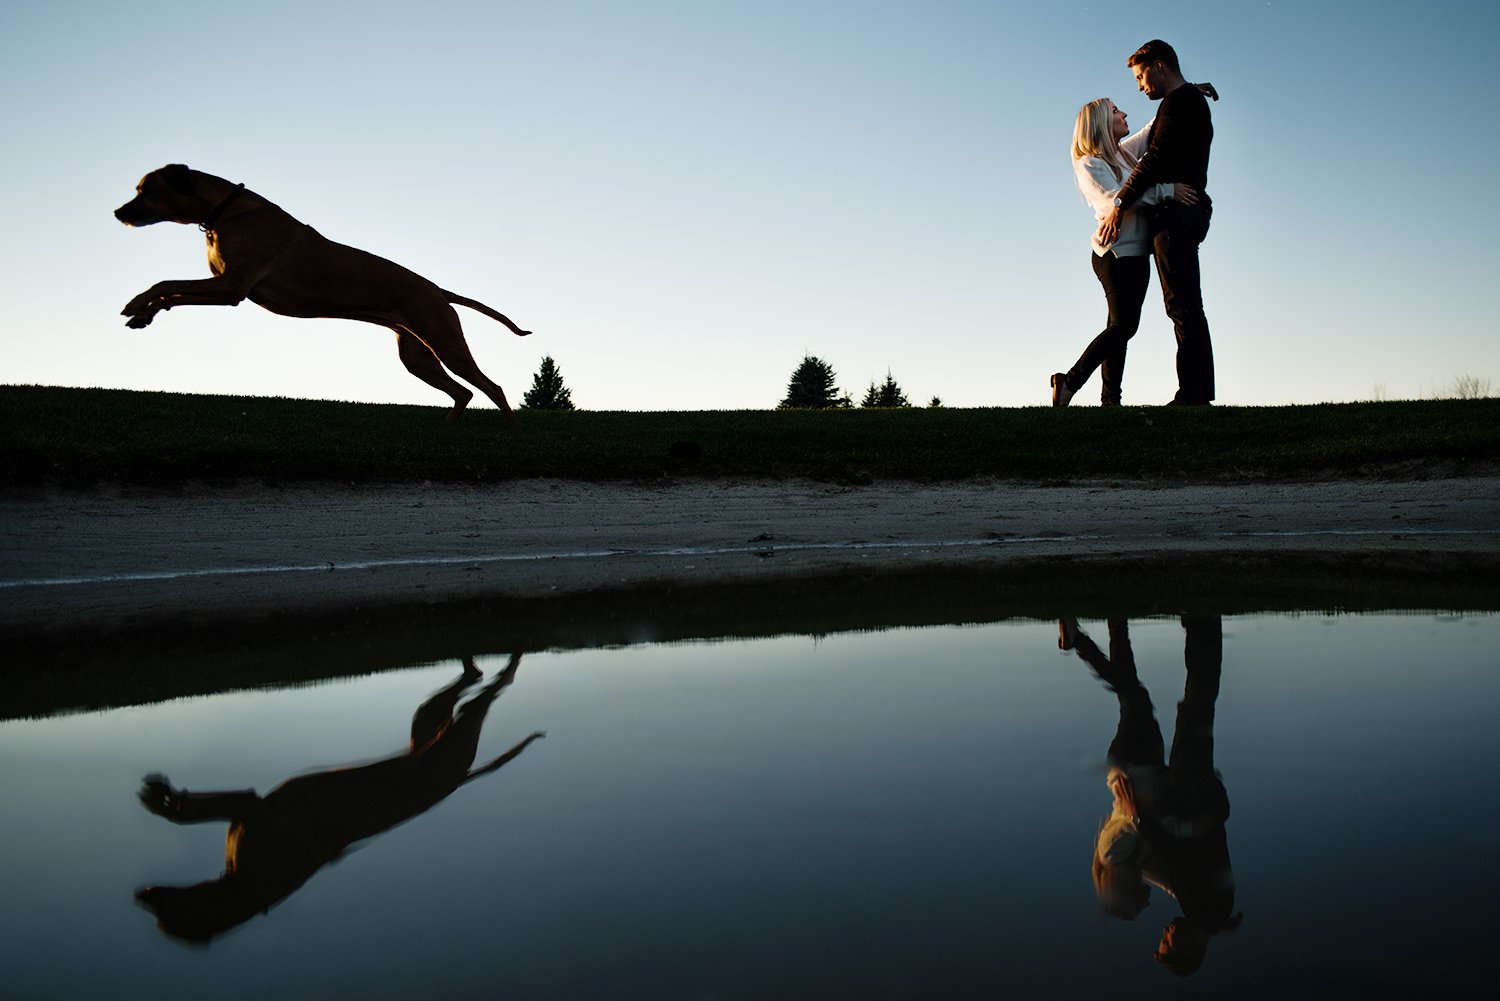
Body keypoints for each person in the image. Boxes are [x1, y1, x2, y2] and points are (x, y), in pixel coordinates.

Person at [1062, 616, 1242, 976]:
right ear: (1188, 948)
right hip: (1190, 787)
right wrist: (1139, 817)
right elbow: (1179, 855)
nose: (1165, 932)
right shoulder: (1206, 910)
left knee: (1184, 703)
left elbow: (1171, 867)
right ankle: (1198, 622)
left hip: (1177, 785)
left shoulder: (1203, 911)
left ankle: (1187, 623)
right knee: (1194, 702)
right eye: (1167, 941)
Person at [1051, 98, 1201, 407]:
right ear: (1102, 123)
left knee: (1119, 329)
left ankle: (1110, 399)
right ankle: (1070, 380)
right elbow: (1115, 200)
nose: (1124, 114)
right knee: (1124, 326)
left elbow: (1150, 131)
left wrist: (1184, 96)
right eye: (1117, 112)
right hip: (1114, 256)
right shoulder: (1089, 163)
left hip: (1137, 255)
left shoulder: (1122, 153)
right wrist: (1167, 190)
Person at [1098, 39, 1218, 406]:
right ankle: (1196, 392)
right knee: (1182, 303)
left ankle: (1194, 395)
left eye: (1140, 75)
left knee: (1182, 305)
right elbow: (1156, 138)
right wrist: (1192, 90)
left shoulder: (1180, 103)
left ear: (1159, 66)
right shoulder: (1183, 102)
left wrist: (1119, 204)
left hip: (1178, 215)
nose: (1139, 85)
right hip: (1182, 213)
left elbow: (1154, 159)